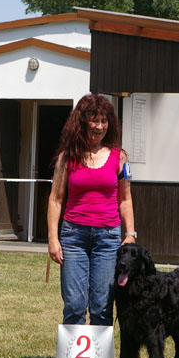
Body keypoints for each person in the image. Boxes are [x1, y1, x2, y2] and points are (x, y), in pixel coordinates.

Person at [47, 94, 137, 326]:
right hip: (73, 237)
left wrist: (130, 234)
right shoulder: (66, 158)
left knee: (102, 306)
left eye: (104, 121)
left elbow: (125, 199)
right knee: (74, 305)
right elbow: (56, 199)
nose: (99, 127)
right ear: (82, 121)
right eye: (94, 120)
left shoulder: (120, 158)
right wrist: (53, 239)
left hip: (108, 239)